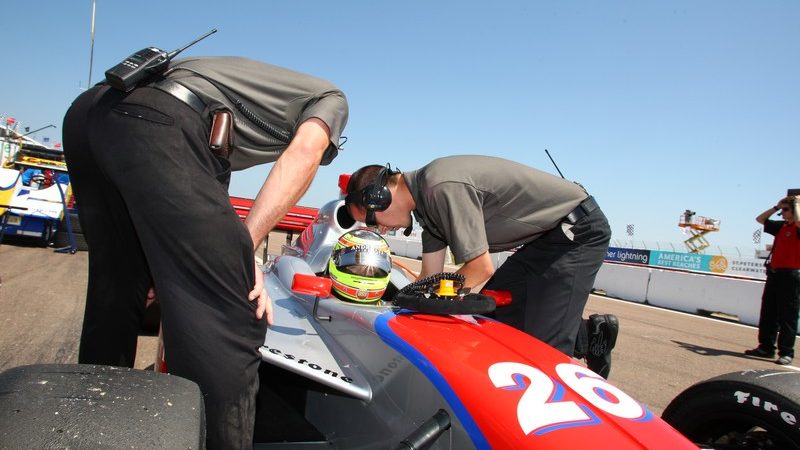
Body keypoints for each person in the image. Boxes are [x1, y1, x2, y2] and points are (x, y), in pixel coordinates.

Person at [62, 56, 348, 449]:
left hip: (91, 114)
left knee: (117, 292)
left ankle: (88, 431)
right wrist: (241, 252)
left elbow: (203, 188)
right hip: (160, 120)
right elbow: (304, 154)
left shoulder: (236, 98)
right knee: (230, 314)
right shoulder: (334, 98)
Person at [342, 155, 618, 377]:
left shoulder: (439, 187)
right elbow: (429, 278)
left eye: (371, 218)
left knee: (544, 357)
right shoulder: (427, 211)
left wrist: (433, 297)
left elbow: (478, 269)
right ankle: (588, 334)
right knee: (492, 315)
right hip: (547, 239)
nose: (377, 227)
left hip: (577, 232)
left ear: (381, 196)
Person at [746, 194, 800, 365]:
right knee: (768, 311)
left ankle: (786, 352)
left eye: (786, 210)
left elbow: (799, 222)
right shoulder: (781, 226)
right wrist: (777, 207)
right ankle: (766, 347)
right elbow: (760, 219)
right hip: (775, 274)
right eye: (782, 210)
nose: (782, 213)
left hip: (792, 275)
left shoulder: (798, 227)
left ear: (795, 211)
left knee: (788, 315)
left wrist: (797, 204)